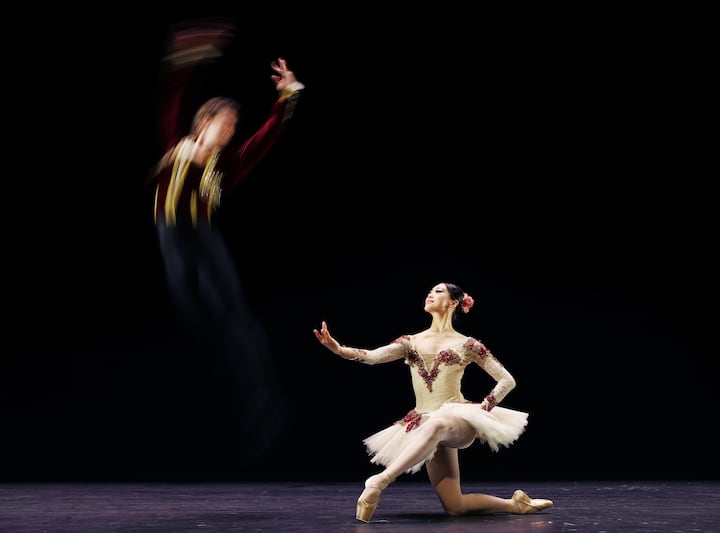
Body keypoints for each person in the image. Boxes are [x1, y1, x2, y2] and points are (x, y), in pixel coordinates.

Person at [148, 18, 304, 457]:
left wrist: (287, 95)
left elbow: (266, 138)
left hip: (203, 237)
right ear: (205, 122)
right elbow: (173, 93)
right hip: (172, 236)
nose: (231, 130)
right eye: (225, 123)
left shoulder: (228, 163)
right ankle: (203, 394)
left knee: (237, 320)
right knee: (194, 315)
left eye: (235, 126)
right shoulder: (178, 144)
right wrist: (191, 51)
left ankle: (262, 403)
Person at [313, 282, 553, 522]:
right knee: (455, 505)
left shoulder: (468, 344)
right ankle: (516, 505)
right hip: (425, 420)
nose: (430, 294)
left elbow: (506, 380)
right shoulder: (410, 342)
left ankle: (380, 480)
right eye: (429, 291)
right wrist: (339, 350)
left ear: (453, 303)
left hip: (457, 419)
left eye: (438, 292)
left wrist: (485, 406)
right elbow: (373, 356)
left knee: (438, 423)